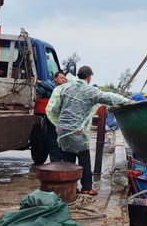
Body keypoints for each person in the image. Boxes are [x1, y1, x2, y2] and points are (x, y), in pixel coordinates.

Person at [46, 65, 133, 196]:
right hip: (77, 132)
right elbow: (108, 98)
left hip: (62, 131)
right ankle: (86, 188)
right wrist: (127, 101)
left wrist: (60, 124)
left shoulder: (65, 88)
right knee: (84, 161)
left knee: (68, 162)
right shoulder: (89, 91)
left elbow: (54, 108)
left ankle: (70, 188)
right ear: (88, 77)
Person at [36, 71, 71, 162]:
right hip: (52, 119)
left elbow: (55, 89)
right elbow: (41, 91)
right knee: (53, 140)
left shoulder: (64, 88)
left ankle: (63, 159)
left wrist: (40, 82)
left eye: (64, 78)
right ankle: (55, 161)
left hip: (63, 118)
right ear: (55, 79)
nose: (63, 80)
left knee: (64, 140)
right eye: (61, 78)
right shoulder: (48, 86)